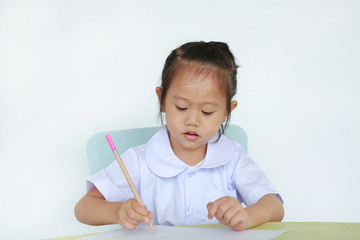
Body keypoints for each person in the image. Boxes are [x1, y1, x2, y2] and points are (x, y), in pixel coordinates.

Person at [74, 41, 284, 231]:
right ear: (163, 100)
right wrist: (118, 212)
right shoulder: (138, 161)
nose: (192, 120)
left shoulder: (233, 158)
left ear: (226, 112)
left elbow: (274, 207)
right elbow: (84, 207)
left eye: (207, 112)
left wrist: (245, 216)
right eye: (181, 107)